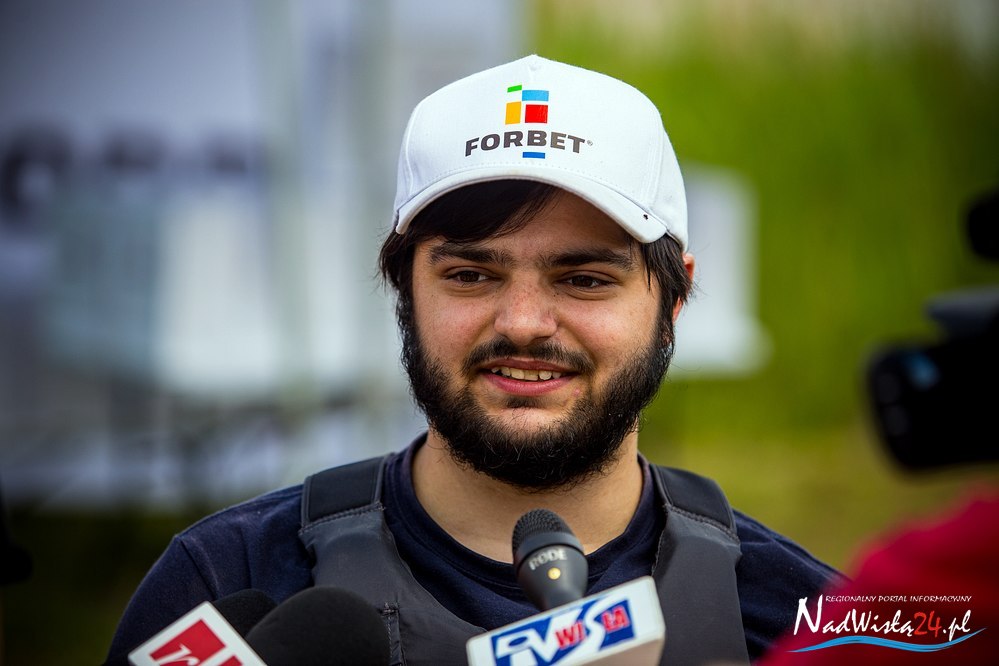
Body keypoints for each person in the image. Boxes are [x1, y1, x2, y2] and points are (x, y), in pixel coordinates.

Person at [106, 55, 839, 665]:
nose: (522, 323)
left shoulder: (801, 620)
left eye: (584, 279)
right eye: (470, 275)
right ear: (404, 292)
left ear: (672, 304)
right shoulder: (226, 580)